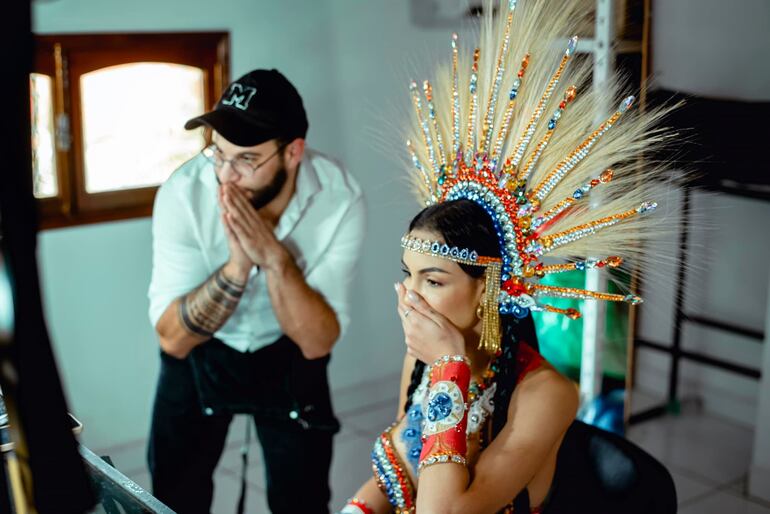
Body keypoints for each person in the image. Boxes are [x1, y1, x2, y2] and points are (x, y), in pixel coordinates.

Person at [338, 0, 677, 512]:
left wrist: (452, 367)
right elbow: (399, 478)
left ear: (487, 286)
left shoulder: (545, 395)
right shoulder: (421, 357)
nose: (409, 295)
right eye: (407, 275)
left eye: (432, 280)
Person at [147, 68, 365, 514]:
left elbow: (317, 341)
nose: (225, 176)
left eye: (246, 159)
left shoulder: (339, 198)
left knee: (302, 497)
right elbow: (172, 337)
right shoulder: (184, 193)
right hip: (202, 350)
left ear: (293, 152)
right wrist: (238, 266)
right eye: (218, 153)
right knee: (173, 493)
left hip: (288, 348)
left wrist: (274, 258)